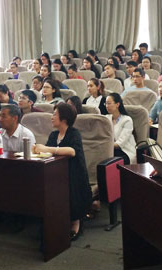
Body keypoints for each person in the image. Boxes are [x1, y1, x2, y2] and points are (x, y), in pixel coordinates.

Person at [33, 103, 92, 240]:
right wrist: (37, 149)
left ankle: (76, 221)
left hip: (74, 174)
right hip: (56, 173)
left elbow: (72, 151)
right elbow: (47, 152)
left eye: (55, 114)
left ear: (64, 119)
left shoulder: (74, 133)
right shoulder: (54, 134)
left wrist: (48, 149)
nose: (52, 117)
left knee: (68, 186)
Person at [105, 93, 137, 164]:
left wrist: (104, 145)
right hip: (111, 150)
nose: (107, 106)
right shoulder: (106, 119)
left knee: (108, 162)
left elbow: (120, 144)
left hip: (125, 151)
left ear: (117, 104)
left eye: (109, 103)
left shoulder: (127, 120)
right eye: (106, 104)